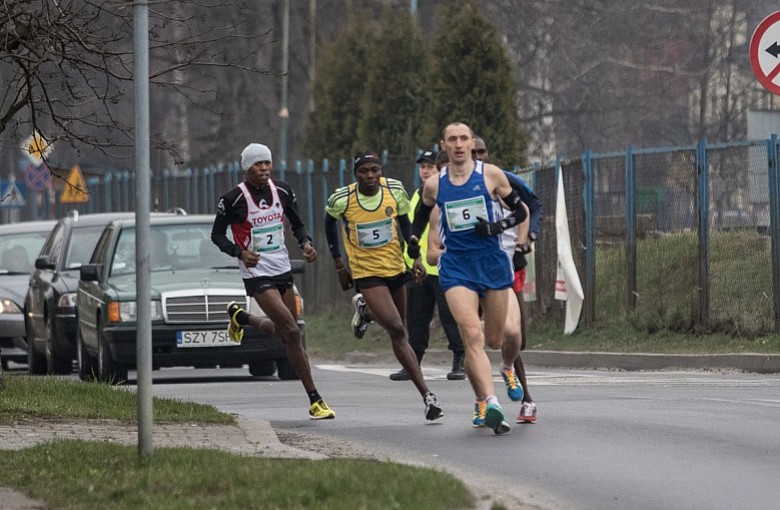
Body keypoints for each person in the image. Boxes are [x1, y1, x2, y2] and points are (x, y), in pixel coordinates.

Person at [408, 122, 527, 434]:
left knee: (499, 339)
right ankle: (490, 402)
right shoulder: (434, 185)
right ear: (444, 145)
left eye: (464, 139)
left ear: (472, 142)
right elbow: (421, 215)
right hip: (456, 266)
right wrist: (412, 240)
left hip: (492, 263)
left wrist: (497, 229)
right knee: (472, 335)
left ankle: (506, 365)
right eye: (452, 140)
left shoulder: (491, 175)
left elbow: (521, 212)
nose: (459, 144)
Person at [211, 142, 335, 420]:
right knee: (292, 331)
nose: (264, 168)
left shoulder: (282, 190)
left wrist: (305, 243)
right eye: (258, 164)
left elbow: (297, 223)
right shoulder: (233, 199)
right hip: (256, 272)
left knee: (284, 332)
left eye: (267, 163)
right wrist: (240, 253)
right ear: (247, 168)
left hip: (281, 267)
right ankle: (315, 399)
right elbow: (217, 236)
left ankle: (241, 318)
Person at [324, 150, 444, 422]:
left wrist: (414, 260)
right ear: (355, 174)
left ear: (381, 170)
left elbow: (406, 225)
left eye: (374, 170)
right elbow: (329, 225)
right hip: (366, 273)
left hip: (394, 267)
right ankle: (427, 395)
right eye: (364, 171)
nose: (370, 176)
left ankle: (365, 311)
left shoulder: (394, 190)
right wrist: (339, 264)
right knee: (398, 328)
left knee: (396, 328)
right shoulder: (342, 199)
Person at [472, 137, 543, 424]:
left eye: (481, 151)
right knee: (473, 338)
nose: (476, 155)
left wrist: (529, 238)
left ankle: (516, 382)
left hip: (510, 266)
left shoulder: (504, 179)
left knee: (515, 336)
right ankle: (486, 402)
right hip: (473, 269)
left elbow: (532, 206)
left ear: (487, 153)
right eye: (472, 151)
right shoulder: (456, 186)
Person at [389, 150, 466, 382]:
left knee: (450, 316)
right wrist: (412, 261)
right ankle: (413, 363)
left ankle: (460, 361)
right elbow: (412, 231)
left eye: (430, 167)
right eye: (422, 166)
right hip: (417, 267)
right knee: (416, 317)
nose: (425, 170)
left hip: (442, 266)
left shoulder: (445, 194)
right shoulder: (417, 194)